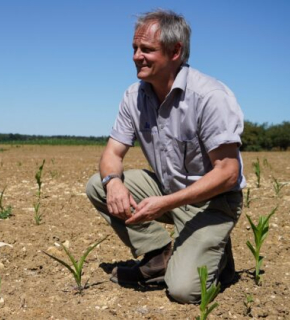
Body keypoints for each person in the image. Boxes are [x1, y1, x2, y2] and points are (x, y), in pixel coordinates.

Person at [86, 9, 245, 304]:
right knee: (98, 184)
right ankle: (160, 255)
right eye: (134, 48)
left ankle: (218, 257)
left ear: (175, 51)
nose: (136, 56)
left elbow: (228, 172)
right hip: (168, 191)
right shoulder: (134, 96)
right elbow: (112, 152)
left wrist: (166, 203)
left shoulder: (209, 96)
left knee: (184, 291)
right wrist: (113, 182)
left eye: (146, 49)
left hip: (213, 202)